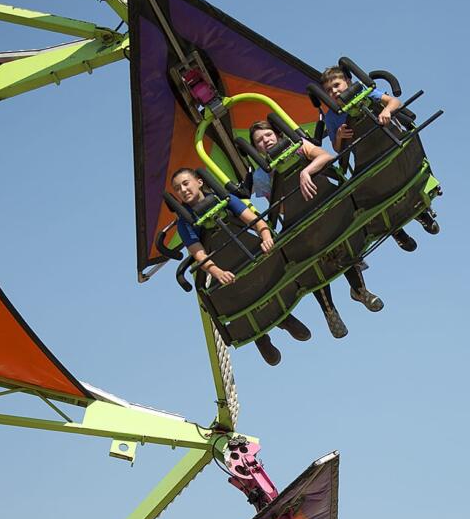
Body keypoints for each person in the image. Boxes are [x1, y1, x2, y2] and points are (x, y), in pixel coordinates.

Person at [247, 120, 384, 339]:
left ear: (277, 135)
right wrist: (283, 183)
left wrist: (305, 173)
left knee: (338, 237)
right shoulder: (262, 176)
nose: (265, 141)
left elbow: (325, 156)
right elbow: (279, 209)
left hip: (326, 203)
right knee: (312, 258)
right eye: (259, 141)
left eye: (267, 136)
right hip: (301, 219)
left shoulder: (299, 145)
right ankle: (329, 310)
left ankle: (359, 290)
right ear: (256, 150)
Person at [171, 167, 311, 366]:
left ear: (199, 182)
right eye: (178, 188)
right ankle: (260, 338)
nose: (183, 189)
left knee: (267, 270)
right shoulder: (185, 223)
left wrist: (265, 236)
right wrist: (216, 272)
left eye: (186, 183)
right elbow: (199, 254)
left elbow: (254, 220)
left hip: (249, 252)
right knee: (228, 292)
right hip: (226, 266)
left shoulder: (224, 199)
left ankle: (284, 318)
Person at [318, 66, 439, 251]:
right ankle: (395, 230)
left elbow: (394, 102)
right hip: (367, 161)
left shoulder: (364, 93)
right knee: (365, 194)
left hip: (392, 147)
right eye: (329, 90)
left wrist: (386, 111)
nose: (334, 91)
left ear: (348, 82)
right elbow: (336, 147)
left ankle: (421, 212)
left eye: (337, 85)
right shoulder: (332, 117)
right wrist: (340, 136)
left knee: (398, 175)